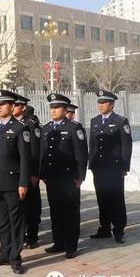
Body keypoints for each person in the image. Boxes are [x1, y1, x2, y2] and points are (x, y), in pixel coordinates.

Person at [0, 90, 31, 275]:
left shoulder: (20, 128)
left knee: (15, 222)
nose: (0, 107)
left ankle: (15, 257)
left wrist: (23, 183)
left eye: (3, 104)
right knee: (2, 222)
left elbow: (25, 159)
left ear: (12, 107)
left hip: (13, 183)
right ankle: (4, 253)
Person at [40, 93, 88, 259]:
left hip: (69, 179)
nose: (53, 110)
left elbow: (81, 154)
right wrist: (43, 174)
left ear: (65, 109)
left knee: (70, 213)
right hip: (52, 179)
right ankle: (58, 242)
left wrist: (80, 176)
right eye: (51, 107)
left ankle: (71, 246)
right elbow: (44, 154)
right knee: (55, 212)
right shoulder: (46, 129)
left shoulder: (74, 127)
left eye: (57, 107)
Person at [88, 90, 132, 244]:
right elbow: (92, 144)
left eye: (104, 102)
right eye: (99, 103)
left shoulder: (120, 121)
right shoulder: (95, 121)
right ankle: (104, 228)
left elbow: (126, 145)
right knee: (102, 198)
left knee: (116, 199)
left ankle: (119, 229)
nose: (101, 105)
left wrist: (124, 166)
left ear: (111, 104)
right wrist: (91, 164)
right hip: (99, 168)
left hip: (114, 168)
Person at [12, 94, 42, 249]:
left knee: (31, 206)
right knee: (19, 206)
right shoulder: (10, 124)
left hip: (29, 172)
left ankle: (32, 236)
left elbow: (35, 151)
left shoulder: (31, 124)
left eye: (15, 105)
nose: (12, 108)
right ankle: (20, 234)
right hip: (15, 172)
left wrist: (35, 173)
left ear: (22, 107)